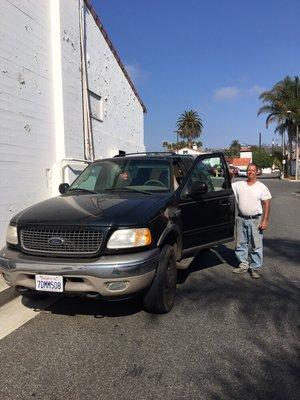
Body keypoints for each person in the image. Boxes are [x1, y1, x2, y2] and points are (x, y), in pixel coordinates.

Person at [231, 163, 272, 279]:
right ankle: (243, 265)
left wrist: (265, 221)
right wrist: (230, 173)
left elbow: (267, 204)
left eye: (253, 170)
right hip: (240, 218)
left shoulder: (261, 187)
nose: (250, 172)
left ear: (257, 172)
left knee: (256, 245)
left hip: (255, 220)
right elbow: (226, 185)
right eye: (248, 170)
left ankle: (255, 268)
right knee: (240, 244)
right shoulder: (239, 185)